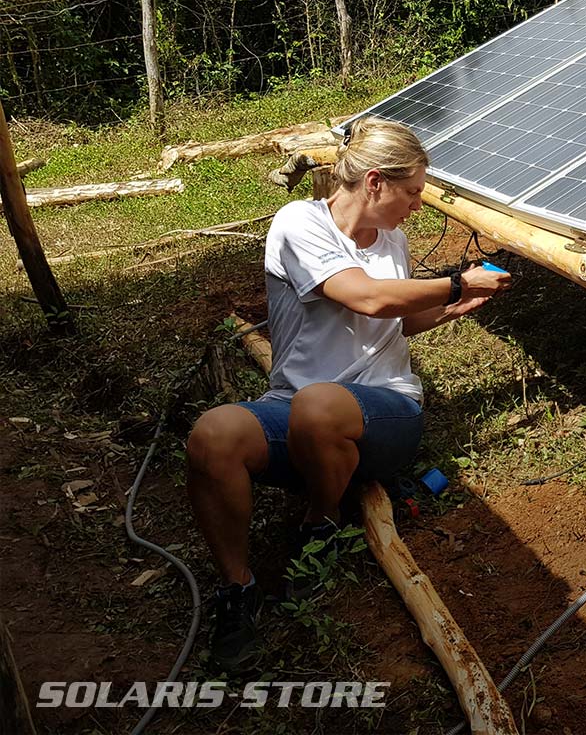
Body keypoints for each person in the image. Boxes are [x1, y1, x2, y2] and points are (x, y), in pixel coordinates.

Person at [185, 118, 511, 671]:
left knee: (319, 406)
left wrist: (452, 307)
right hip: (296, 407)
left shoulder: (393, 239)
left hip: (387, 410)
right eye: (413, 192)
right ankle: (237, 589)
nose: (418, 205)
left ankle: (320, 522)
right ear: (376, 182)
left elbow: (397, 318)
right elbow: (367, 298)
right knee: (212, 435)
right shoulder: (298, 223)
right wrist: (458, 281)